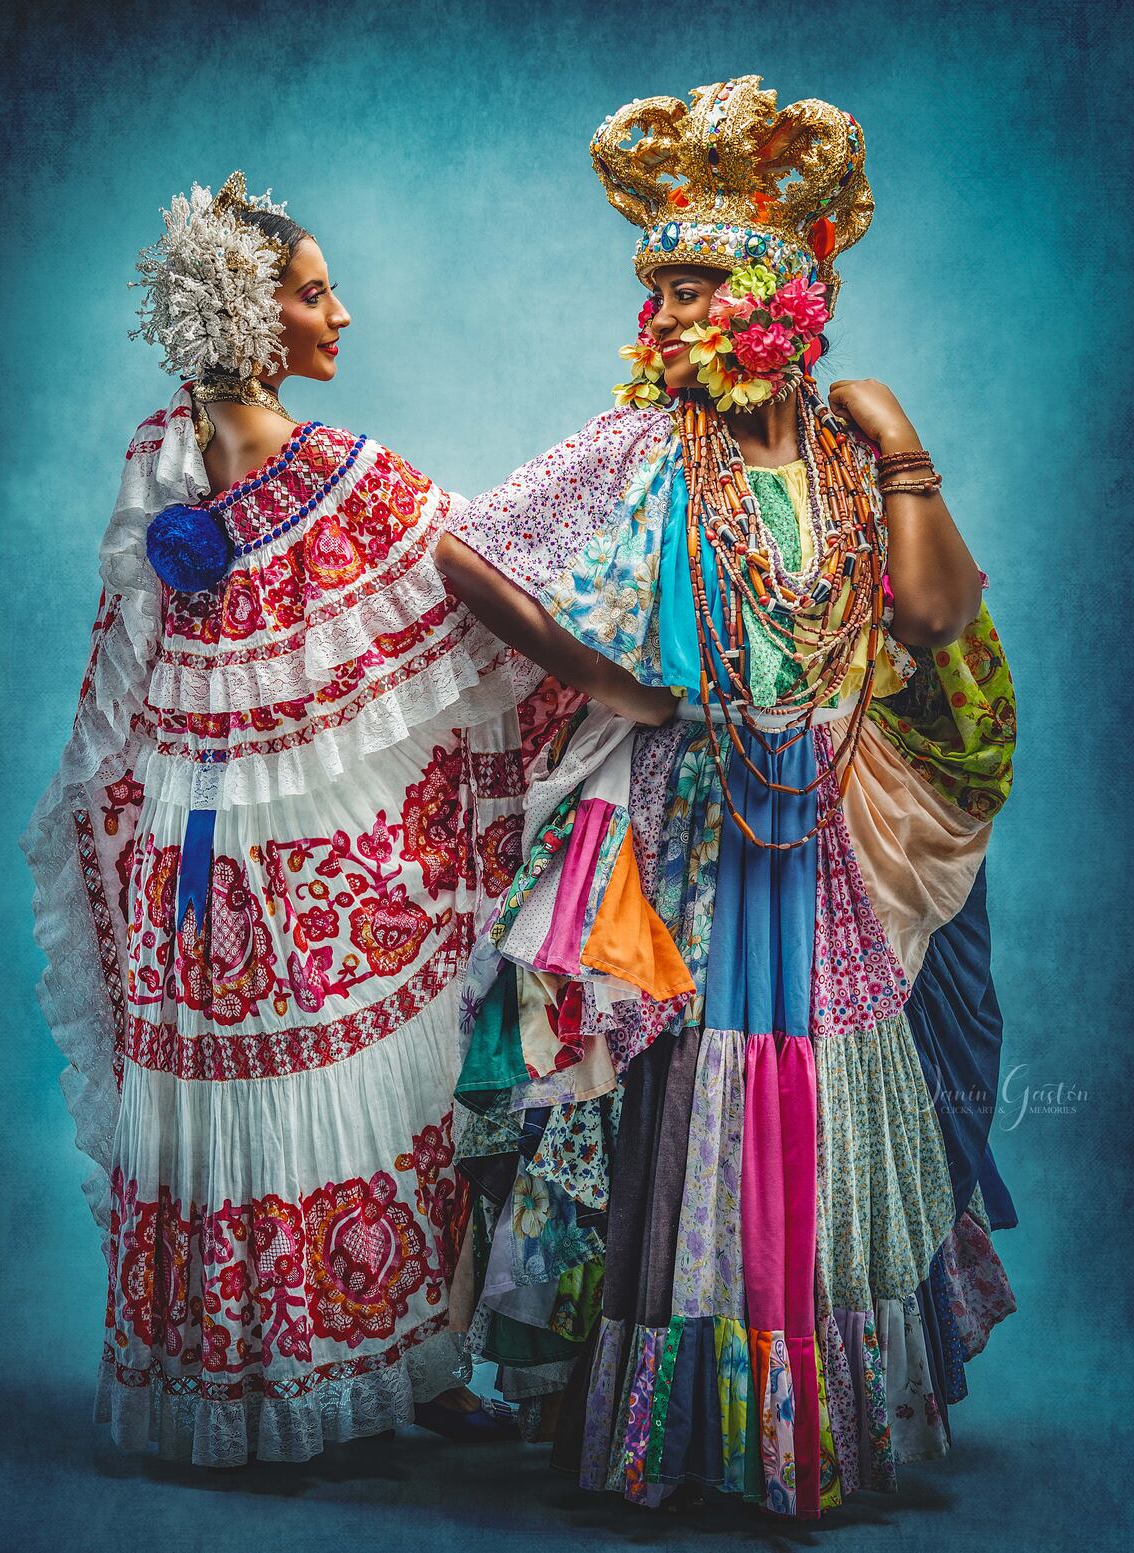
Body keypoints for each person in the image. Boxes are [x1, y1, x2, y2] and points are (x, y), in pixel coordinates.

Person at [436, 77, 1018, 1518]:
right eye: (658, 289)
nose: (663, 314)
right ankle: (678, 1427)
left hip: (819, 826)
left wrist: (901, 441)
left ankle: (799, 1426)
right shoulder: (644, 448)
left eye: (691, 286)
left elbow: (934, 620)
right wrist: (613, 682)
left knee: (816, 1075)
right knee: (686, 1083)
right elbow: (468, 551)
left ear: (775, 299)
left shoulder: (849, 461)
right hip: (689, 823)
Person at [22, 171, 535, 1466]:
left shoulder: (158, 450)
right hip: (279, 848)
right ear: (252, 317)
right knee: (348, 1070)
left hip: (183, 839)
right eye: (315, 294)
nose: (340, 315)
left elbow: (125, 669)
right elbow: (485, 580)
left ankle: (242, 1389)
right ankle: (361, 1371)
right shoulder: (337, 471)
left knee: (228, 1091)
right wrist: (616, 665)